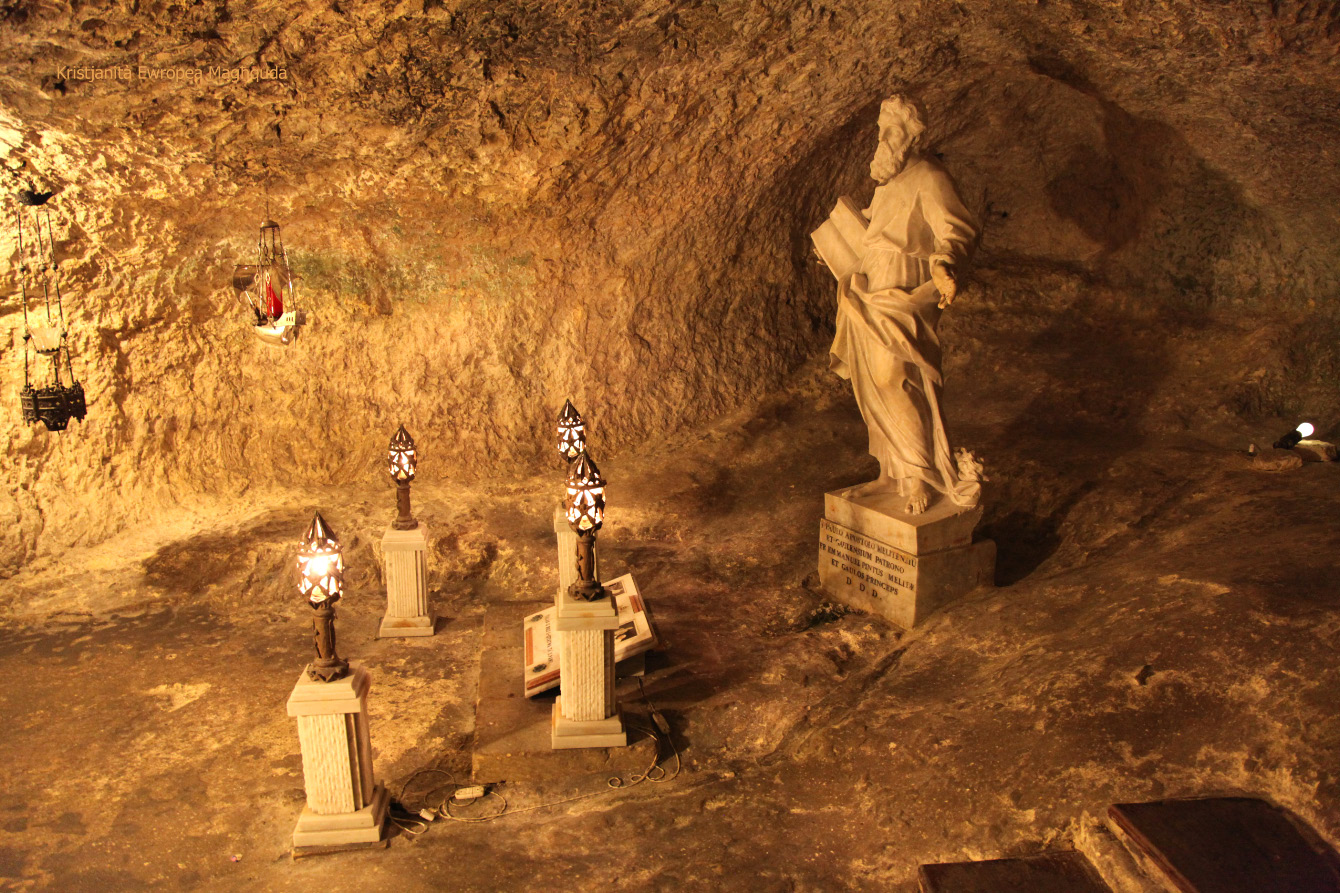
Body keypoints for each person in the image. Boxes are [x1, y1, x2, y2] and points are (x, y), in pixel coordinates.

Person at [826, 94, 981, 514]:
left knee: (896, 376)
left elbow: (957, 229)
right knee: (871, 382)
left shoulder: (930, 176)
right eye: (881, 130)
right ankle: (891, 472)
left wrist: (945, 263)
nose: (883, 139)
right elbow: (877, 230)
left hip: (905, 291)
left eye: (891, 131)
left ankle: (918, 474)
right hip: (871, 283)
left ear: (912, 136)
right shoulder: (888, 182)